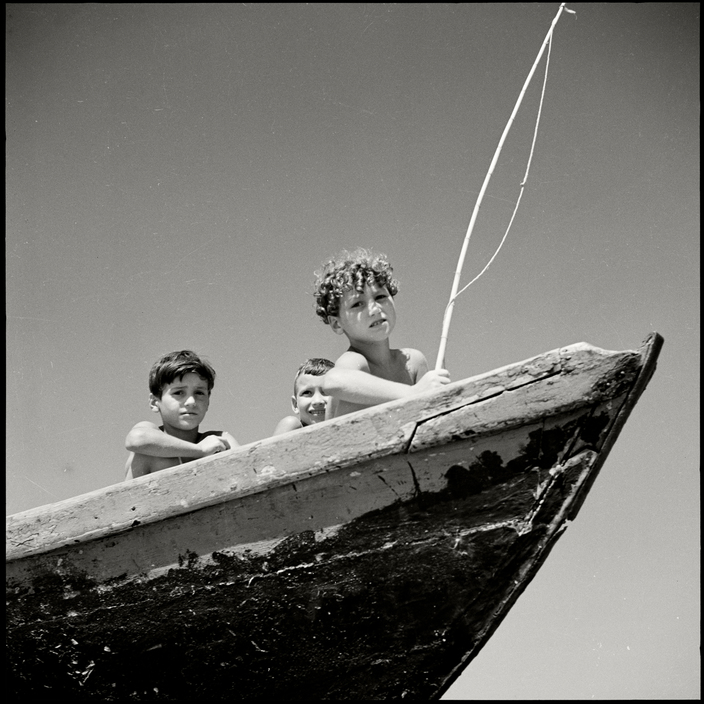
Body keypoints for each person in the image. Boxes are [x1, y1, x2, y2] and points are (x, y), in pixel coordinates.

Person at [313, 248, 451, 419]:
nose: (374, 310)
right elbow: (334, 381)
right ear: (336, 323)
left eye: (380, 297)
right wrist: (412, 392)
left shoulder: (413, 362)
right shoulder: (356, 361)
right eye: (357, 304)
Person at [124, 350, 239, 480]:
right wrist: (200, 450)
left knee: (219, 445)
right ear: (155, 402)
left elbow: (243, 466)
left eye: (199, 393)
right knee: (155, 455)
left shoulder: (216, 439)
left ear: (208, 400)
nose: (191, 402)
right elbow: (136, 439)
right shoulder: (149, 433)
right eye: (179, 393)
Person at [272, 358, 334, 435]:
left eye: (326, 391)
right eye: (307, 392)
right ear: (295, 405)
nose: (317, 401)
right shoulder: (291, 427)